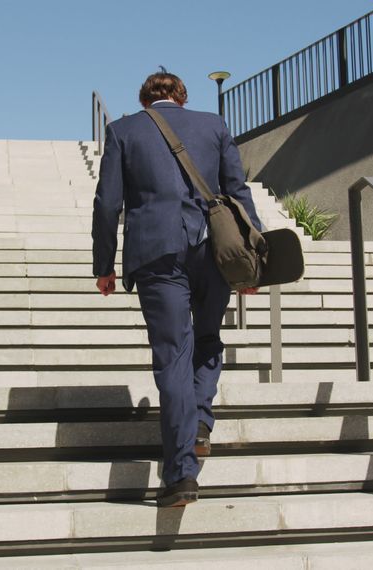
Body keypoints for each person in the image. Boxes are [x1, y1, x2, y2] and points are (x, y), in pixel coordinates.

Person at [91, 71, 263, 507]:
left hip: (157, 254)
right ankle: (201, 420)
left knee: (172, 355)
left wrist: (104, 264)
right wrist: (254, 262)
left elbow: (108, 203)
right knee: (207, 339)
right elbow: (238, 192)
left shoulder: (122, 130)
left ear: (145, 98)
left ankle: (182, 473)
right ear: (181, 98)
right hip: (214, 253)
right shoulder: (213, 125)